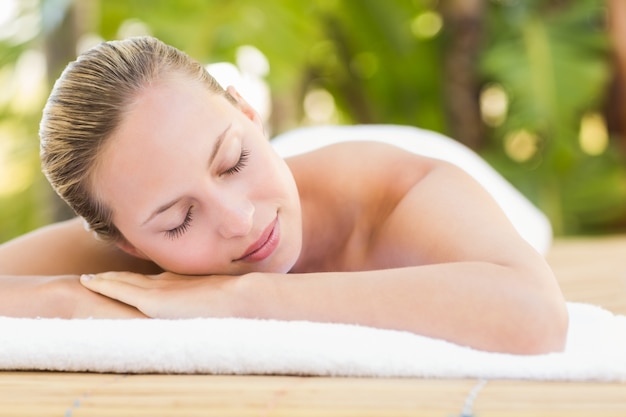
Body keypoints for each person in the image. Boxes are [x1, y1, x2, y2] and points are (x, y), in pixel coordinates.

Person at [0, 36, 568, 354]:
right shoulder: (136, 222)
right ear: (124, 244)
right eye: (178, 221)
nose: (240, 219)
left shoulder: (406, 192)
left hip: (444, 168)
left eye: (233, 161)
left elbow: (537, 315)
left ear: (248, 112)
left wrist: (238, 298)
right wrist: (70, 301)